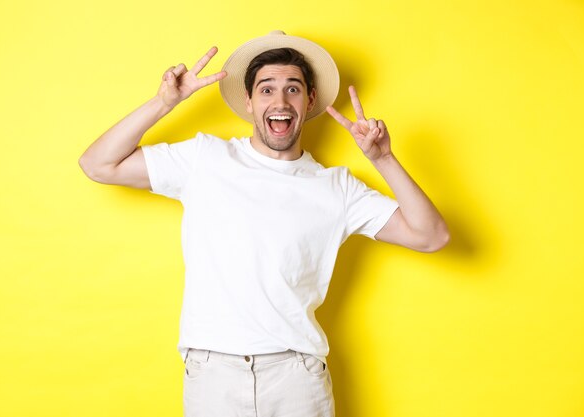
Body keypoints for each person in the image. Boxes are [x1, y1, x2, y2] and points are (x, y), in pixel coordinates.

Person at [79, 31, 449, 417]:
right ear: (249, 101)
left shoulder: (336, 187)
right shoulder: (205, 159)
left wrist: (383, 159)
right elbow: (97, 164)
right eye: (267, 89)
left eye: (293, 89)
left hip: (296, 377)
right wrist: (163, 102)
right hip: (213, 374)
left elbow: (431, 235)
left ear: (309, 101)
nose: (280, 100)